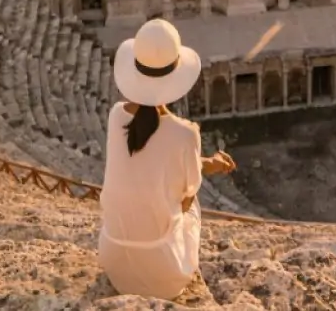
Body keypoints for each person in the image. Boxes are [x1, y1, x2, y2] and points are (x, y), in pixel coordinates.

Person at [98, 19, 236, 300]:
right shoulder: (185, 133)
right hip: (164, 275)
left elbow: (151, 161)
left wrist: (206, 162)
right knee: (191, 197)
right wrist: (205, 164)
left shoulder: (115, 116)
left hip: (114, 264)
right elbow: (184, 200)